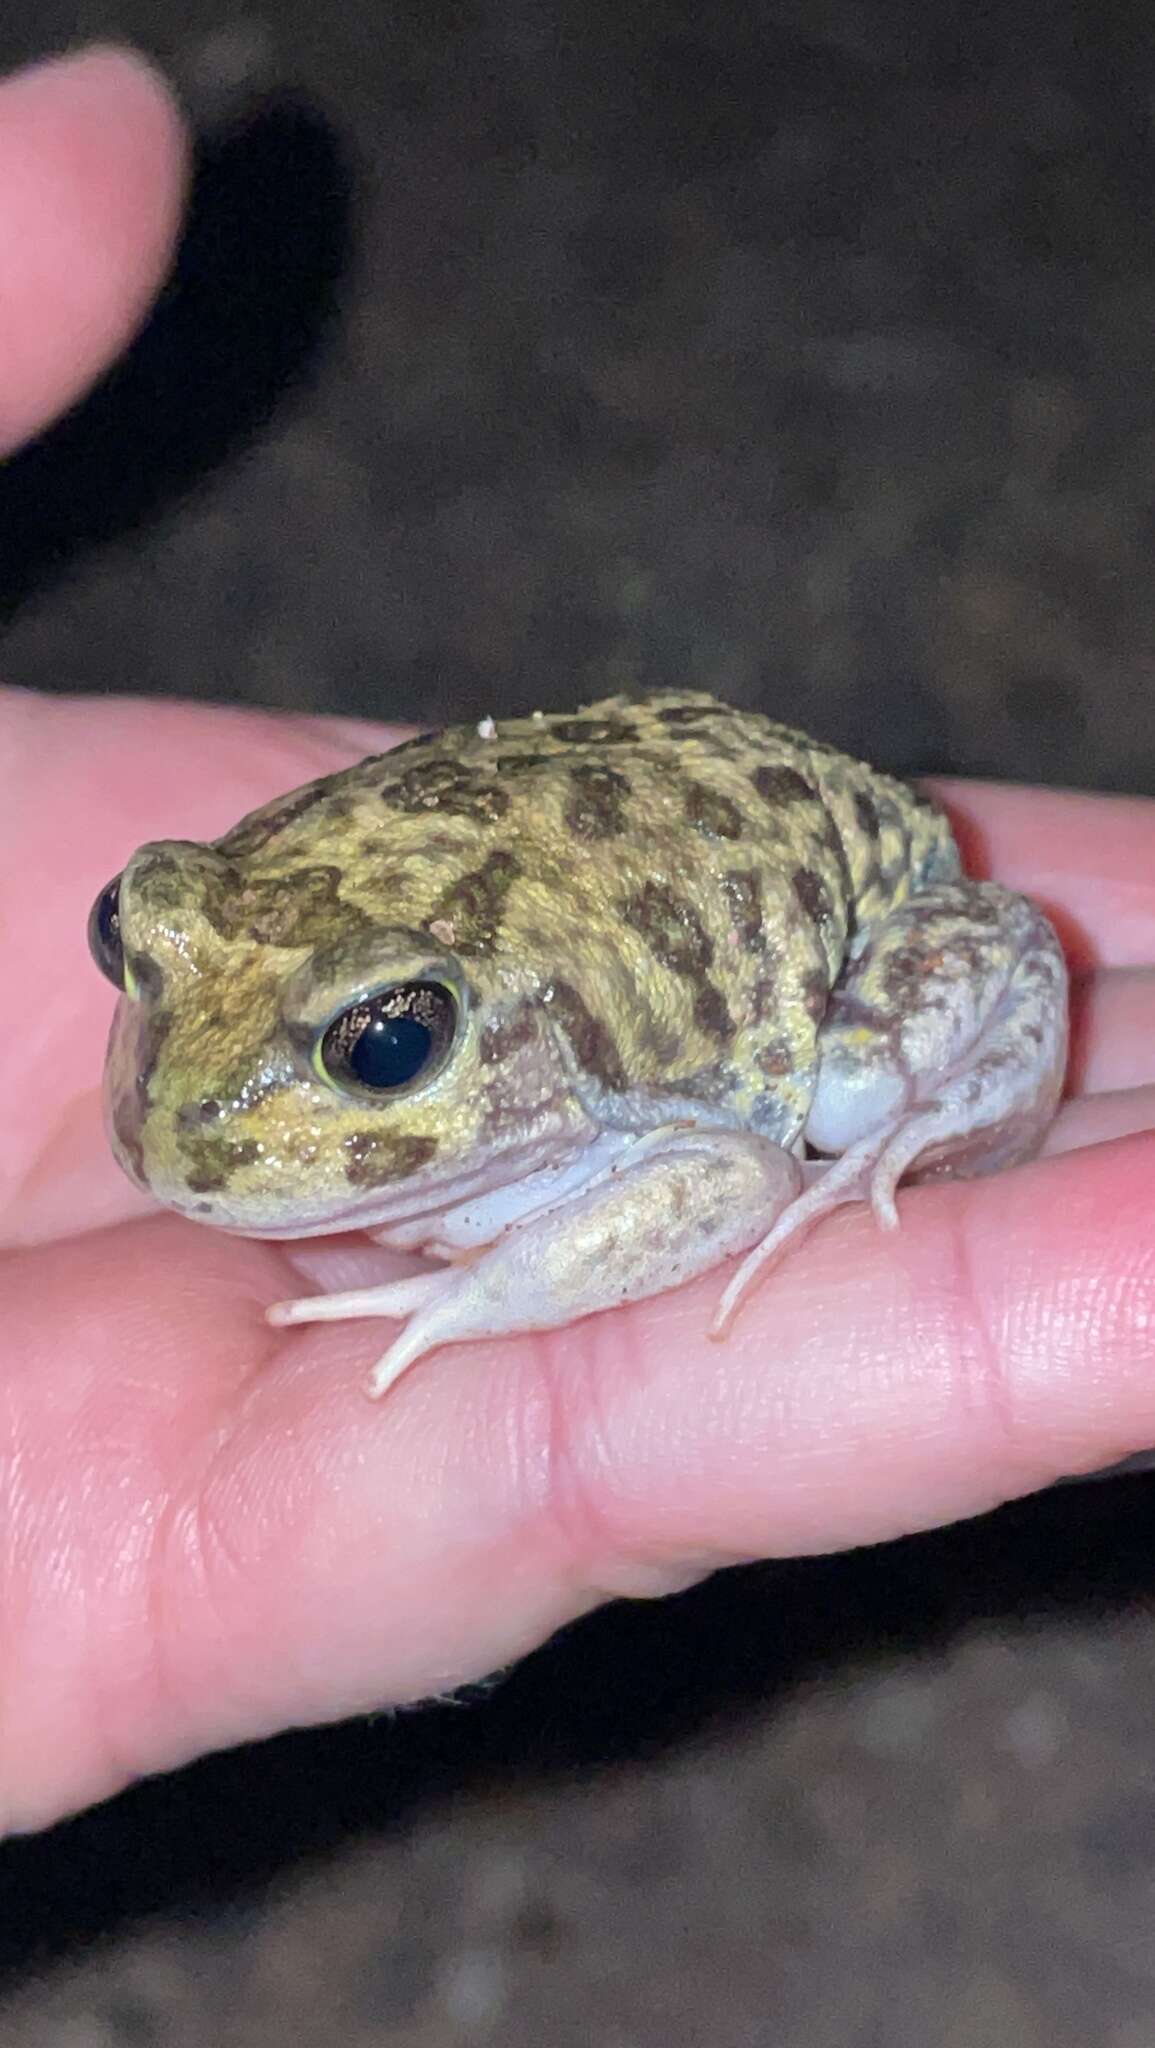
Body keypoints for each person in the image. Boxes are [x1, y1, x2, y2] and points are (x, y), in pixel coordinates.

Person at [3, 45, 1154, 1839]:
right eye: (139, 953)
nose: (192, 1103)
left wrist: (494, 1286)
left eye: (381, 1051)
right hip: (575, 835)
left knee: (854, 1092)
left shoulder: (581, 1051)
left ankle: (932, 1121)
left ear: (480, 1038)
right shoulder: (238, 992)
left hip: (820, 901)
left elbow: (710, 1165)